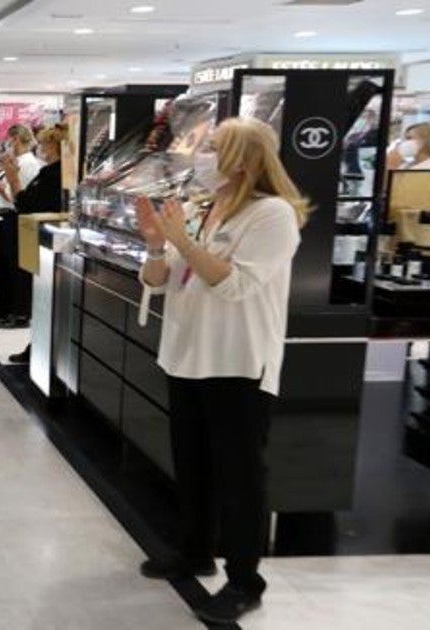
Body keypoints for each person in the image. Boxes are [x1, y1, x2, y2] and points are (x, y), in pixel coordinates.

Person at [135, 116, 309, 625]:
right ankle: (194, 550)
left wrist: (184, 244)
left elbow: (233, 285)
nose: (201, 155)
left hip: (237, 364)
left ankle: (244, 579)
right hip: (186, 356)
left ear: (245, 158)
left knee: (239, 477)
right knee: (192, 466)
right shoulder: (197, 207)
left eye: (212, 147)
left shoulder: (272, 215)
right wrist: (153, 244)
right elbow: (158, 279)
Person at [7, 125, 67, 365]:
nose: (41, 148)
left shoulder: (54, 175)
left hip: (48, 241)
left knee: (45, 300)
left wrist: (12, 178)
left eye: (45, 144)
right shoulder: (52, 172)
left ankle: (41, 350)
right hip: (44, 240)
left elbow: (27, 204)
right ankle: (38, 348)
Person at [0, 124, 44, 329]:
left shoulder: (27, 164)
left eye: (9, 140)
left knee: (18, 268)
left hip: (17, 218)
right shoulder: (20, 162)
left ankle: (20, 312)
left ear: (16, 139)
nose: (7, 144)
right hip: (10, 217)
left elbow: (12, 196)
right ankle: (9, 308)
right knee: (9, 266)